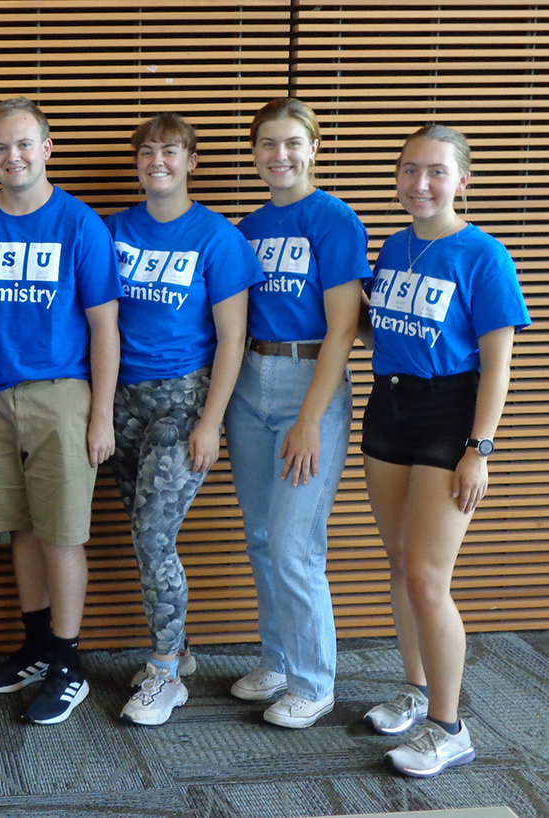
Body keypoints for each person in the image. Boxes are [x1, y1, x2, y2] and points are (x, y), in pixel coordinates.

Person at [0, 96, 121, 725]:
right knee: (18, 528)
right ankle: (38, 646)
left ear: (47, 148)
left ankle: (69, 663)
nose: (11, 157)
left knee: (63, 531)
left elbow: (105, 327)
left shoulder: (80, 224)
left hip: (61, 394)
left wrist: (99, 414)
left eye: (23, 144)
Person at [361, 125, 528, 777]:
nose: (419, 184)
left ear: (463, 181)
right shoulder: (395, 246)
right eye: (408, 171)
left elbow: (498, 368)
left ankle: (448, 726)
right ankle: (416, 688)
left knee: (430, 578)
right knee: (400, 563)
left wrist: (478, 449)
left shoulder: (484, 255)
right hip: (389, 408)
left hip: (449, 415)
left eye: (435, 172)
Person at [107, 113, 264, 727]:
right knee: (144, 531)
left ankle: (166, 671)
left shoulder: (218, 239)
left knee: (152, 535)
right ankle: (182, 648)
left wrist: (211, 422)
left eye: (170, 152)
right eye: (146, 153)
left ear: (191, 162)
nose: (157, 162)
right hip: (122, 400)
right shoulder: (113, 229)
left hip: (185, 399)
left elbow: (233, 340)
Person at [225, 98, 370, 729]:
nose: (278, 156)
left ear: (312, 148)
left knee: (294, 545)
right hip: (248, 383)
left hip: (309, 383)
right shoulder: (248, 226)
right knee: (261, 539)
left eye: (291, 144)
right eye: (266, 145)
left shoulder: (334, 221)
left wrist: (312, 418)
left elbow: (343, 330)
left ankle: (315, 683)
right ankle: (279, 661)